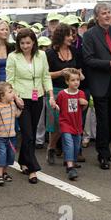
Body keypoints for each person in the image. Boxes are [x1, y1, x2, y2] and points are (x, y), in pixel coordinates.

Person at [82, 3, 111, 170]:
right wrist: (109, 63)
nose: (108, 15)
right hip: (100, 83)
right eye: (104, 13)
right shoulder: (89, 35)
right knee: (103, 119)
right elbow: (88, 60)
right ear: (97, 17)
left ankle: (105, 145)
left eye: (109, 12)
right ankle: (102, 153)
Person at [6, 28, 56, 184]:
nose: (25, 46)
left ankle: (23, 160)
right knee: (27, 134)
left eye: (28, 42)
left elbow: (46, 76)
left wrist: (51, 95)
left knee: (32, 133)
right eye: (22, 43)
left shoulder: (41, 55)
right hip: (21, 99)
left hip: (38, 97)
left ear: (33, 42)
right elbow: (10, 80)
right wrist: (15, 97)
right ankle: (33, 169)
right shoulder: (13, 57)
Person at [45, 24, 84, 165]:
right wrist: (62, 72)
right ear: (61, 36)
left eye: (72, 35)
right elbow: (45, 74)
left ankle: (70, 157)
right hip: (55, 91)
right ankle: (51, 147)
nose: (71, 38)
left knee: (68, 123)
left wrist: (80, 75)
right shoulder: (50, 53)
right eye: (68, 35)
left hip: (72, 93)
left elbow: (79, 68)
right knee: (56, 123)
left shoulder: (74, 50)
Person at [56, 68, 88, 181]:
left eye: (78, 80)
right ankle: (70, 168)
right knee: (69, 144)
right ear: (67, 82)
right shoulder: (61, 94)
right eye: (73, 80)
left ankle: (71, 161)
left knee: (76, 146)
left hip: (77, 124)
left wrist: (85, 103)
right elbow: (58, 106)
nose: (76, 82)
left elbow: (83, 108)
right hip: (65, 123)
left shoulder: (81, 93)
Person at [0, 82, 21, 186]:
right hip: (0, 137)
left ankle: (5, 172)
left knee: (10, 154)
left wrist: (20, 104)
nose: (13, 93)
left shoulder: (12, 105)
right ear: (2, 95)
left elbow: (17, 114)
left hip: (11, 136)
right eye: (10, 92)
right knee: (2, 154)